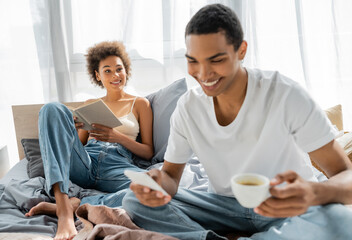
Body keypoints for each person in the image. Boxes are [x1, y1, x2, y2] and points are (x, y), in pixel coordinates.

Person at [122, 4, 352, 240]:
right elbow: (171, 178)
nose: (203, 73)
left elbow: (346, 174)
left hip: (285, 207)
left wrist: (315, 192)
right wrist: (157, 185)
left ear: (241, 50)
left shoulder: (285, 94)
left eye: (216, 60)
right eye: (193, 61)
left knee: (343, 221)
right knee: (132, 200)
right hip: (224, 207)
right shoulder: (189, 107)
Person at [25, 41, 154, 240]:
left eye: (119, 69)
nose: (115, 75)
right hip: (86, 161)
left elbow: (148, 152)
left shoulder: (140, 104)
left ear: (126, 71)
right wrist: (71, 129)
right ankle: (63, 209)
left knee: (152, 188)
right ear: (98, 76)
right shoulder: (90, 105)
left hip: (117, 164)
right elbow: (77, 146)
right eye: (108, 71)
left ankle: (79, 202)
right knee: (52, 108)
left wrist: (116, 136)